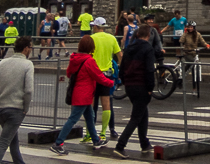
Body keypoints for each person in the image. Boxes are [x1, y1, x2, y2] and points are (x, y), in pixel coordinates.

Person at [49, 35, 112, 154]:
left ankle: (96, 140)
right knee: (73, 119)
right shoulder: (89, 61)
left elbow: (68, 74)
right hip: (84, 94)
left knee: (90, 117)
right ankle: (58, 143)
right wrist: (111, 82)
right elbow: (99, 76)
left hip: (78, 93)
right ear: (91, 47)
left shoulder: (74, 58)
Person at [0, 36, 34, 164]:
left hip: (1, 110)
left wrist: (0, 98)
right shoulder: (27, 64)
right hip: (16, 110)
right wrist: (25, 108)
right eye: (31, 47)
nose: (31, 50)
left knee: (13, 140)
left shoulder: (2, 62)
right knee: (3, 144)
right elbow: (29, 90)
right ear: (25, 49)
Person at [111, 24, 156, 158]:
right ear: (148, 36)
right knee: (136, 117)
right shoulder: (147, 48)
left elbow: (123, 65)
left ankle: (145, 144)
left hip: (130, 85)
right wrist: (150, 88)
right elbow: (149, 70)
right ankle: (120, 146)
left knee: (143, 113)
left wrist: (124, 81)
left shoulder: (129, 47)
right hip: (141, 85)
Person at [84, 18, 121, 144]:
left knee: (91, 104)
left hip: (93, 74)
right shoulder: (111, 38)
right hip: (107, 74)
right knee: (106, 103)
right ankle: (104, 133)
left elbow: (86, 55)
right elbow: (120, 55)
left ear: (95, 27)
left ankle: (89, 133)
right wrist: (119, 70)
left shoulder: (91, 38)